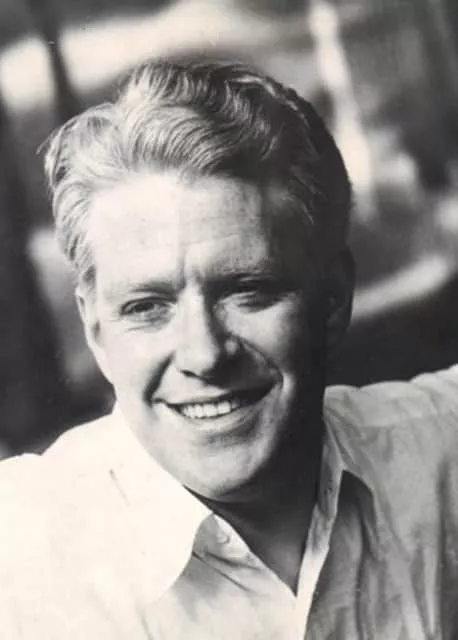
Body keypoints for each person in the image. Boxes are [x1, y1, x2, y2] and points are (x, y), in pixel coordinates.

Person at [1, 58, 458, 639]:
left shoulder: (437, 449)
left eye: (248, 291)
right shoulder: (19, 558)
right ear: (97, 332)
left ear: (332, 301)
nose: (205, 354)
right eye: (147, 307)